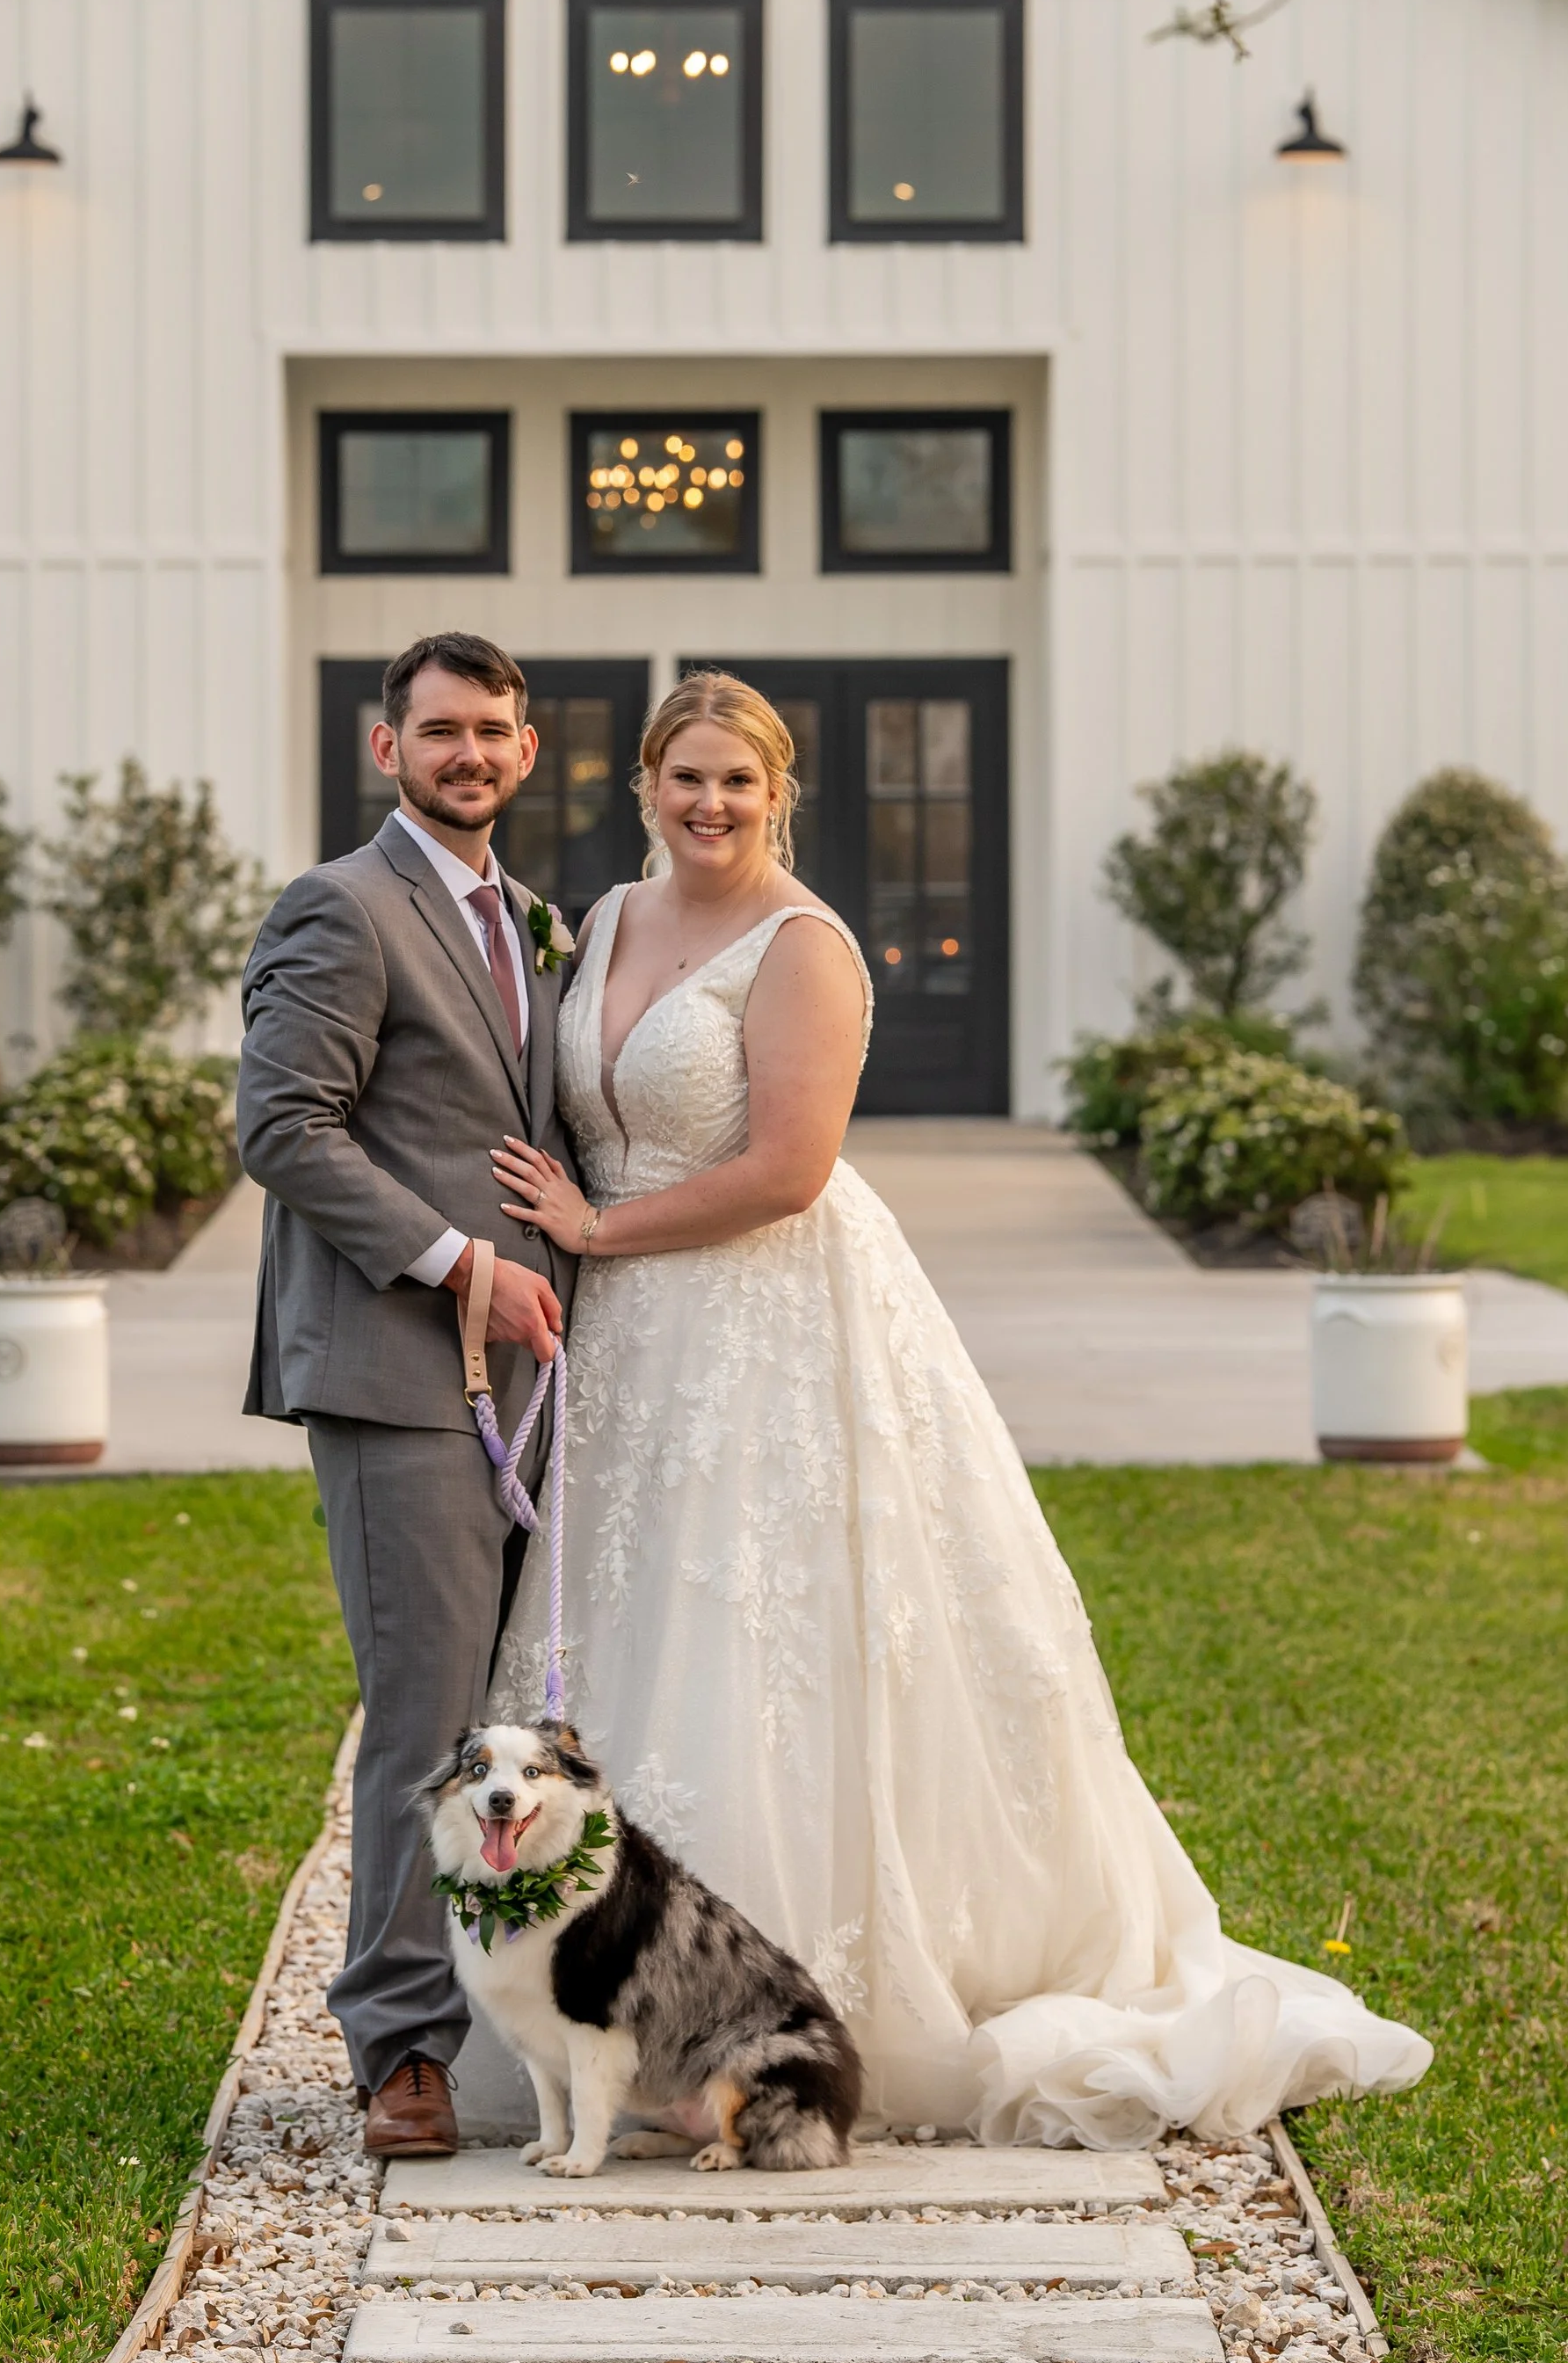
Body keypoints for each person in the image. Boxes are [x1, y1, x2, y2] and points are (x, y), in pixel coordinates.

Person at [489, 670, 1431, 2147]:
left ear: (777, 790)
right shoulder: (604, 918)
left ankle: (772, 2011)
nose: (710, 802)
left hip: (763, 1318)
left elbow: (791, 1167)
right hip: (628, 1344)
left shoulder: (804, 946)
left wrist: (599, 1228)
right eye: (686, 777)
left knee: (767, 1631)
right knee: (637, 1609)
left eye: (738, 779)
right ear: (645, 785)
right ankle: (611, 1997)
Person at [238, 632, 579, 2158]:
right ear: (389, 747)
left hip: (535, 1375)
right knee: (428, 1719)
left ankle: (520, 2006)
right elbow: (284, 1126)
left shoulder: (530, 919)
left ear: (526, 748)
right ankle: (401, 2049)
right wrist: (459, 1266)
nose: (469, 753)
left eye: (492, 729)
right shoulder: (342, 906)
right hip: (396, 1374)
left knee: (510, 1720)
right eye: (440, 730)